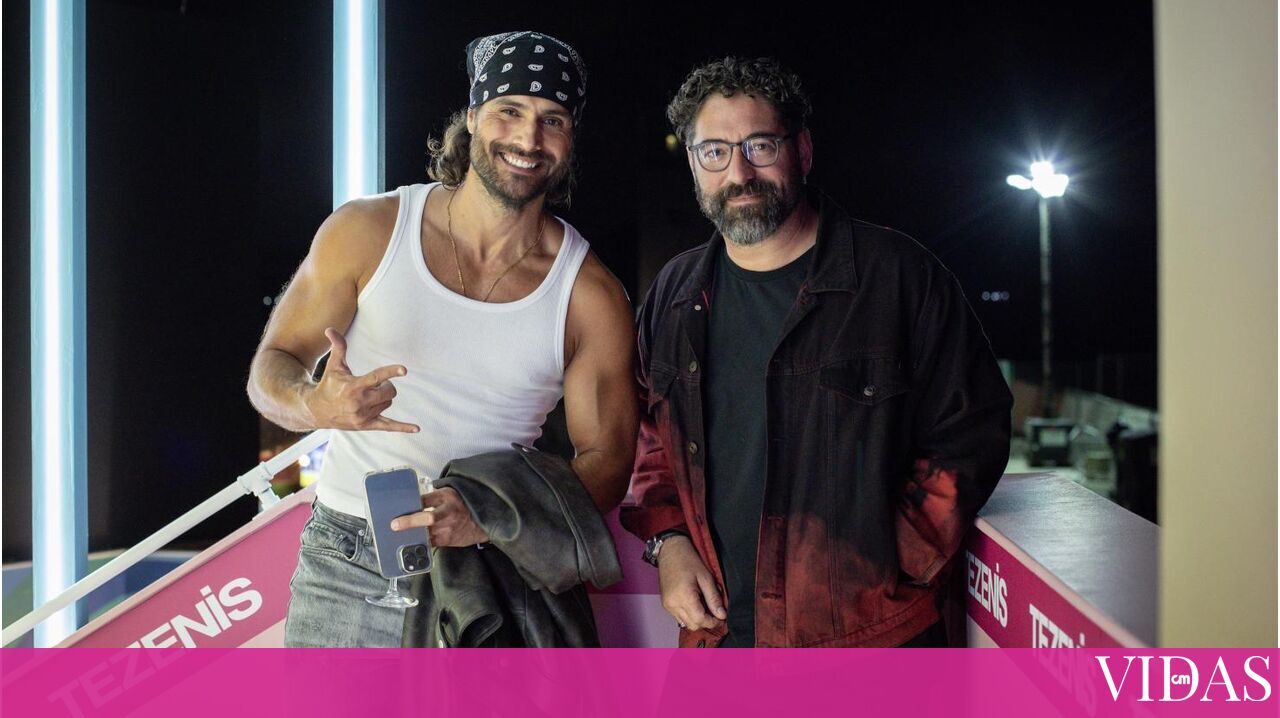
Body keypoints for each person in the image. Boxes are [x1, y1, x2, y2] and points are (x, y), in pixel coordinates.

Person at [247, 30, 637, 648]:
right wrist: (314, 403)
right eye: (510, 110)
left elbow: (609, 462)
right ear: (473, 117)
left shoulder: (590, 295)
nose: (528, 138)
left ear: (570, 138)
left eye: (552, 120)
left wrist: (489, 514)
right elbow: (272, 367)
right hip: (348, 561)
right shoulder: (369, 230)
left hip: (493, 570)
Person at [621, 57, 1013, 648]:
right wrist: (668, 540)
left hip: (870, 644)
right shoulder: (674, 295)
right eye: (715, 152)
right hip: (717, 639)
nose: (739, 172)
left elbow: (971, 431)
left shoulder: (899, 279)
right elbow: (648, 435)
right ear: (694, 165)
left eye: (759, 146)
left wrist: (890, 567)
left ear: (802, 150)